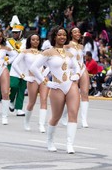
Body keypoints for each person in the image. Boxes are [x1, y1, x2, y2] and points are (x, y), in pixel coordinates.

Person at [30, 26, 81, 154]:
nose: (62, 37)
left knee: (73, 113)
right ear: (54, 37)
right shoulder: (48, 52)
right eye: (59, 35)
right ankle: (50, 140)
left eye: (64, 35)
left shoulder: (69, 53)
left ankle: (70, 144)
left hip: (71, 85)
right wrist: (46, 82)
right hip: (57, 87)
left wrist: (77, 75)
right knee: (56, 117)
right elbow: (34, 67)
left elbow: (77, 67)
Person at [11, 33, 49, 132]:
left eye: (37, 39)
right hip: (32, 79)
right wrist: (23, 76)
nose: (35, 41)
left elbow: (49, 65)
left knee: (44, 100)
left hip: (42, 78)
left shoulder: (43, 53)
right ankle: (26, 122)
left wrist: (44, 74)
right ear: (29, 41)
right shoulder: (25, 52)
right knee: (31, 102)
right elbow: (14, 64)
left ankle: (41, 125)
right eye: (33, 39)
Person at [8, 15, 27, 116]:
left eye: (16, 32)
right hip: (13, 67)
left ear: (21, 32)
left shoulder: (26, 41)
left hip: (24, 66)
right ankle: (11, 100)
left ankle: (19, 108)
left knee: (22, 88)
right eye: (13, 32)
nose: (14, 34)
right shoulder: (8, 42)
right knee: (13, 85)